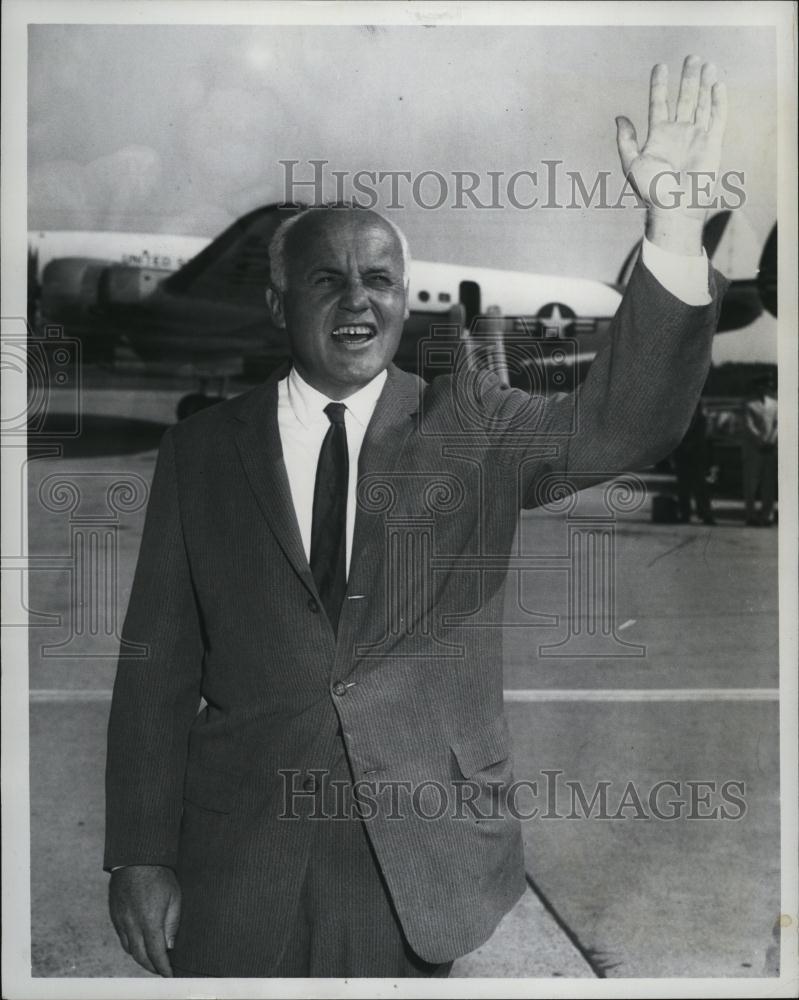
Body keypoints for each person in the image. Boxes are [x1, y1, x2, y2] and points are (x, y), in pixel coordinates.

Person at [105, 56, 729, 978]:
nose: (358, 299)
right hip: (240, 852)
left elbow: (623, 425)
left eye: (380, 279)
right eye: (327, 280)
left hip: (415, 861)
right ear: (279, 302)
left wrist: (673, 230)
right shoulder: (200, 453)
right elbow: (156, 666)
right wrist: (139, 851)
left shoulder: (470, 422)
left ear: (402, 298)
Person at [741, 375, 778, 526]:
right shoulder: (749, 404)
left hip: (770, 448)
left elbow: (777, 425)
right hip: (754, 449)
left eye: (766, 385)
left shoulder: (775, 404)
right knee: (751, 484)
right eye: (760, 385)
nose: (763, 388)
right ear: (756, 387)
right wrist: (760, 441)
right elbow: (749, 426)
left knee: (769, 484)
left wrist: (771, 440)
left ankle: (767, 516)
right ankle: (751, 516)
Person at [673, 401, 716, 524]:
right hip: (682, 455)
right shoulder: (679, 420)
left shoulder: (702, 419)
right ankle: (685, 514)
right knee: (683, 487)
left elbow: (705, 438)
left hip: (698, 456)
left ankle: (705, 514)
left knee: (701, 486)